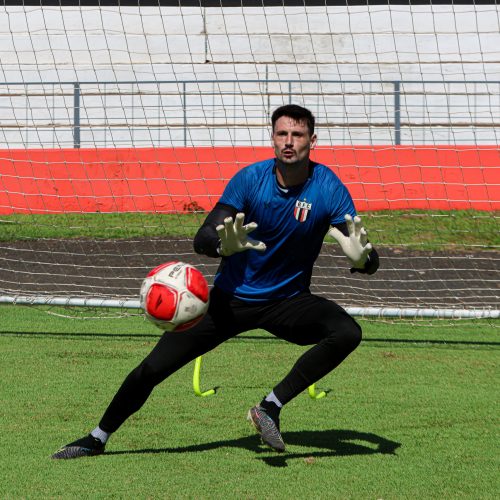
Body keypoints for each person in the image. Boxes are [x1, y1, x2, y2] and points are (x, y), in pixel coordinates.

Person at [52, 104, 379, 459]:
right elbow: (203, 236)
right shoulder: (250, 180)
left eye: (297, 135)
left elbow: (362, 248)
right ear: (272, 138)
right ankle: (97, 438)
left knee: (347, 332)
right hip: (230, 300)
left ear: (311, 140)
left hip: (289, 302)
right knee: (152, 368)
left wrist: (364, 261)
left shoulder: (328, 187)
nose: (289, 142)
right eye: (282, 134)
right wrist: (223, 244)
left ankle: (270, 406)